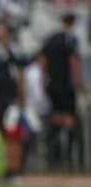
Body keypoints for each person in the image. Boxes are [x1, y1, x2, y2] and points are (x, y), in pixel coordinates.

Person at [0, 21, 27, 181]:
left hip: (11, 100)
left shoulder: (14, 52)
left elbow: (20, 76)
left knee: (13, 136)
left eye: (0, 31)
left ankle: (15, 171)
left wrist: (20, 99)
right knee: (4, 135)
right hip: (0, 100)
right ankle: (7, 169)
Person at [42, 13, 83, 170]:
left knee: (56, 119)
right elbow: (74, 62)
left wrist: (45, 81)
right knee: (70, 120)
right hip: (66, 86)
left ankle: (53, 157)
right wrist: (78, 83)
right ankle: (69, 159)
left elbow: (43, 61)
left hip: (53, 85)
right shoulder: (70, 40)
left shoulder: (52, 39)